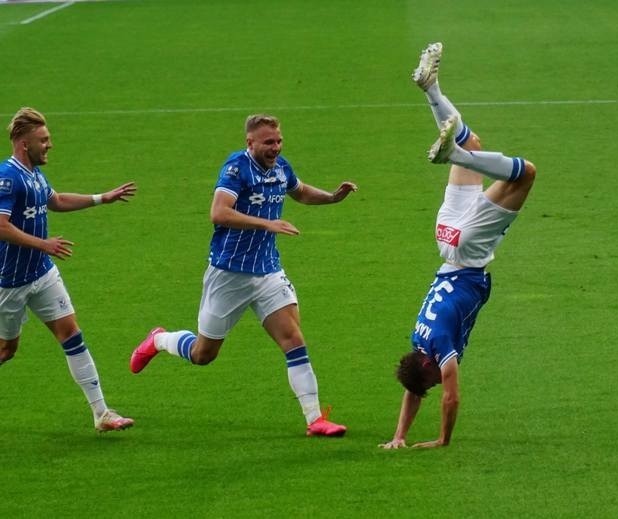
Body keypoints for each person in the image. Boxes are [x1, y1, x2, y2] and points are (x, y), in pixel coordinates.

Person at [130, 114, 357, 437]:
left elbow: (301, 191)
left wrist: (333, 197)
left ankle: (315, 419)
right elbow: (218, 213)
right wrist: (268, 224)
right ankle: (159, 339)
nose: (275, 148)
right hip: (229, 274)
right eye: (268, 142)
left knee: (293, 340)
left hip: (267, 272)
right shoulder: (236, 168)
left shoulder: (281, 167)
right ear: (250, 143)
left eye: (278, 141)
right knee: (203, 354)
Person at [380, 43, 537, 449]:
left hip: (467, 252)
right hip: (445, 239)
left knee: (525, 174)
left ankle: (456, 153)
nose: (436, 382)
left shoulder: (439, 350)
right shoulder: (418, 339)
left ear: (427, 365)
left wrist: (442, 440)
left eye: (431, 378)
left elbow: (451, 396)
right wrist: (399, 436)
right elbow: (415, 389)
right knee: (476, 147)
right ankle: (431, 89)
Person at [0, 107, 137, 432]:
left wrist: (103, 198)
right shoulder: (8, 178)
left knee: (71, 334)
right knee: (7, 349)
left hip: (42, 274)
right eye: (43, 140)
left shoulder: (33, 174)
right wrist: (43, 243)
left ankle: (102, 413)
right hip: (10, 281)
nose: (49, 145)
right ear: (24, 144)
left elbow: (56, 200)